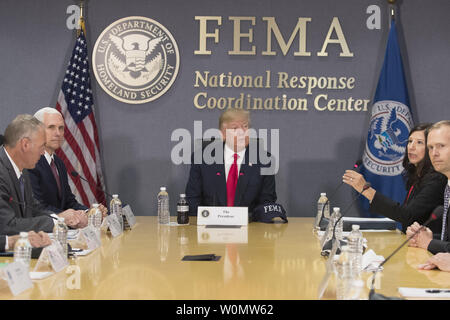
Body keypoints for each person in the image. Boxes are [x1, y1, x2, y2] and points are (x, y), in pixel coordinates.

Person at [342, 123, 447, 232]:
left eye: (419, 142)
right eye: (410, 141)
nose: (411, 147)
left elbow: (408, 215)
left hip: (431, 246)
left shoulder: (436, 180)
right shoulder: (417, 176)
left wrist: (367, 191)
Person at [185, 109, 277, 220]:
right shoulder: (201, 158)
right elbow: (192, 199)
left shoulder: (264, 161)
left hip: (250, 228)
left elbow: (267, 203)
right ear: (222, 134)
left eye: (245, 126)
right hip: (209, 228)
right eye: (234, 128)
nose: (242, 132)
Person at [0, 114, 83, 235]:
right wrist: (58, 221)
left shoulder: (22, 169)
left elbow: (35, 209)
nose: (43, 152)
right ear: (25, 145)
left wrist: (60, 218)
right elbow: (7, 225)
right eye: (41, 146)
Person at [29, 107, 107, 218]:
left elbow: (69, 202)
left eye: (61, 128)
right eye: (51, 127)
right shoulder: (29, 162)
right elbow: (36, 207)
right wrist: (62, 217)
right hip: (40, 232)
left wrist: (90, 212)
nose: (58, 133)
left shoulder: (58, 163)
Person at [407, 120, 450, 254]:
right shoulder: (448, 186)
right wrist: (426, 238)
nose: (434, 153)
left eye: (441, 146)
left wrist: (429, 243)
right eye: (430, 148)